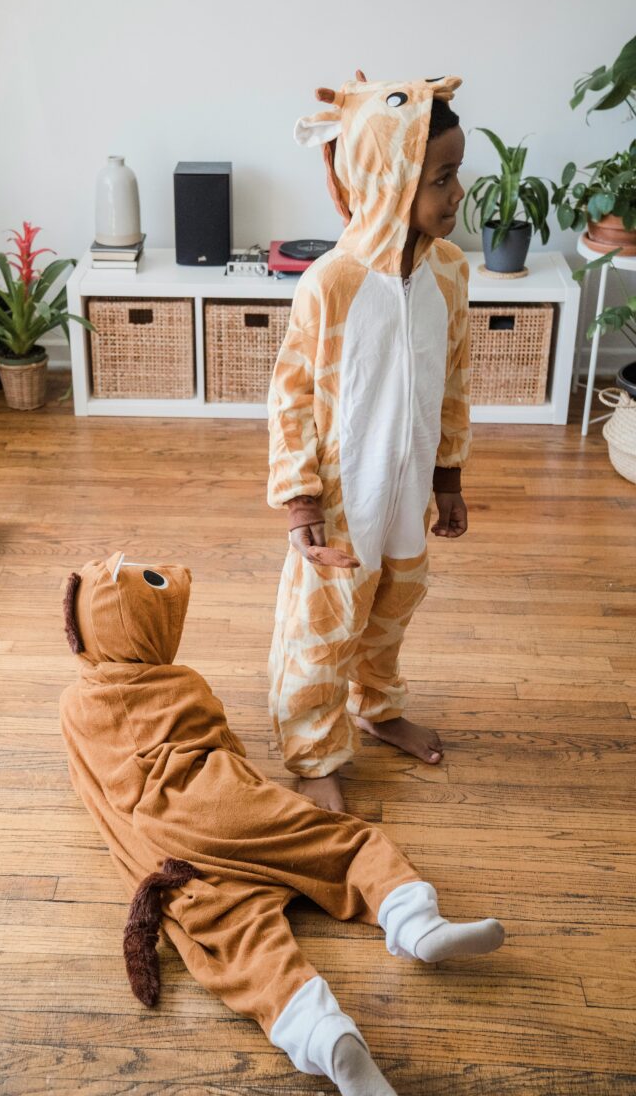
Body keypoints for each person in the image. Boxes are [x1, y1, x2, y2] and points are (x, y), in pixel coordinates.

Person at [59, 554, 504, 1096]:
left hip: (159, 851)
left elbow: (94, 793)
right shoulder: (180, 683)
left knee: (235, 938)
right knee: (342, 844)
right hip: (219, 804)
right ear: (144, 632)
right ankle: (416, 923)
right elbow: (221, 743)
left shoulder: (71, 708)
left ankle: (325, 1037)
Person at [268, 73, 470, 813]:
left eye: (457, 174)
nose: (457, 195)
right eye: (442, 178)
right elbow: (290, 395)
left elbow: (454, 377)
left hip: (407, 489)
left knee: (392, 608)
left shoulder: (451, 273)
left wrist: (448, 477)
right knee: (323, 625)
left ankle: (377, 709)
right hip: (343, 496)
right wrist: (299, 497)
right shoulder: (331, 283)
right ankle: (314, 749)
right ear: (388, 179)